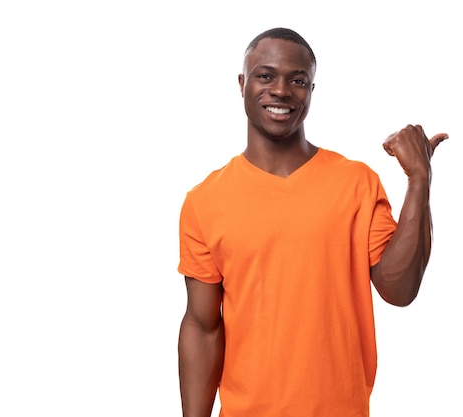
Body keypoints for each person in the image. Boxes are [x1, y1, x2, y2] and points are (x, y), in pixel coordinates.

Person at [177, 27, 448, 417]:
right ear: (242, 84)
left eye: (298, 80)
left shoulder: (356, 182)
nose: (282, 90)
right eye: (265, 75)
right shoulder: (205, 200)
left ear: (311, 91)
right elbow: (202, 327)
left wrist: (419, 180)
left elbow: (400, 289)